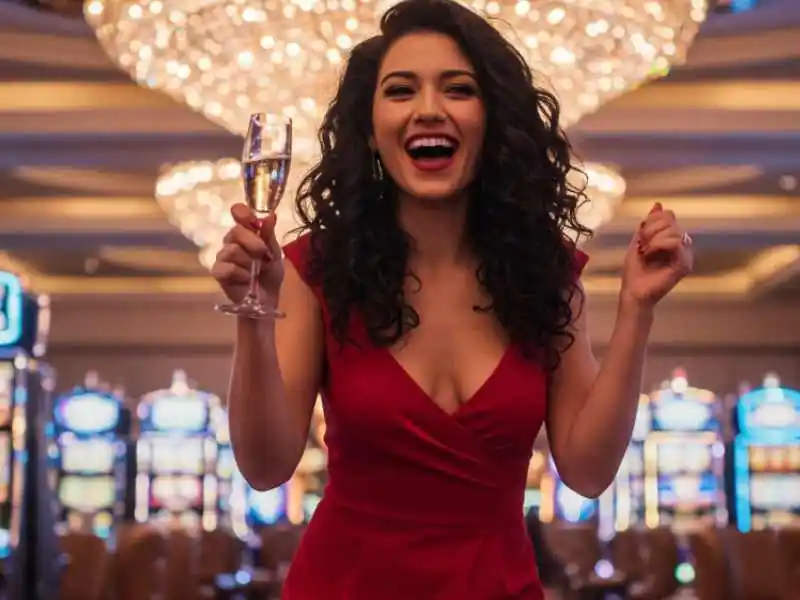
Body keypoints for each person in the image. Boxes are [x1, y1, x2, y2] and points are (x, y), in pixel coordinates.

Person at [212, 0, 694, 597]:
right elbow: (264, 470)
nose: (429, 110)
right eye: (401, 91)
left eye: (458, 89)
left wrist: (637, 311)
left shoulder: (546, 274)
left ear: (492, 119)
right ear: (369, 127)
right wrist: (253, 316)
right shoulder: (317, 268)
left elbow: (589, 472)